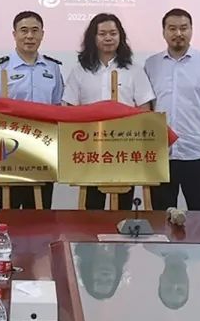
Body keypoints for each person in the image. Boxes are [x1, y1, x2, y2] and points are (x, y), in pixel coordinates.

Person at [64, 13, 154, 210]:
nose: (108, 38)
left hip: (124, 150)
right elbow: (70, 109)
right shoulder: (80, 71)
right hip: (90, 150)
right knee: (91, 209)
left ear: (120, 36)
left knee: (123, 209)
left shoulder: (134, 70)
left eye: (113, 33)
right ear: (93, 38)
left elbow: (145, 109)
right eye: (102, 34)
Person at [144, 8, 200, 211]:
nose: (178, 33)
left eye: (183, 28)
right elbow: (147, 108)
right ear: (164, 32)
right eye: (172, 28)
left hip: (197, 152)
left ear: (191, 30)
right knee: (161, 217)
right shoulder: (151, 64)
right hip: (161, 154)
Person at [0, 11, 63, 209]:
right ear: (14, 34)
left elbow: (57, 107)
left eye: (35, 31)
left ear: (42, 34)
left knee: (40, 209)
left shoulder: (52, 67)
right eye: (24, 31)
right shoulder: (0, 68)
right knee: (7, 209)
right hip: (9, 148)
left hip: (43, 148)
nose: (29, 36)